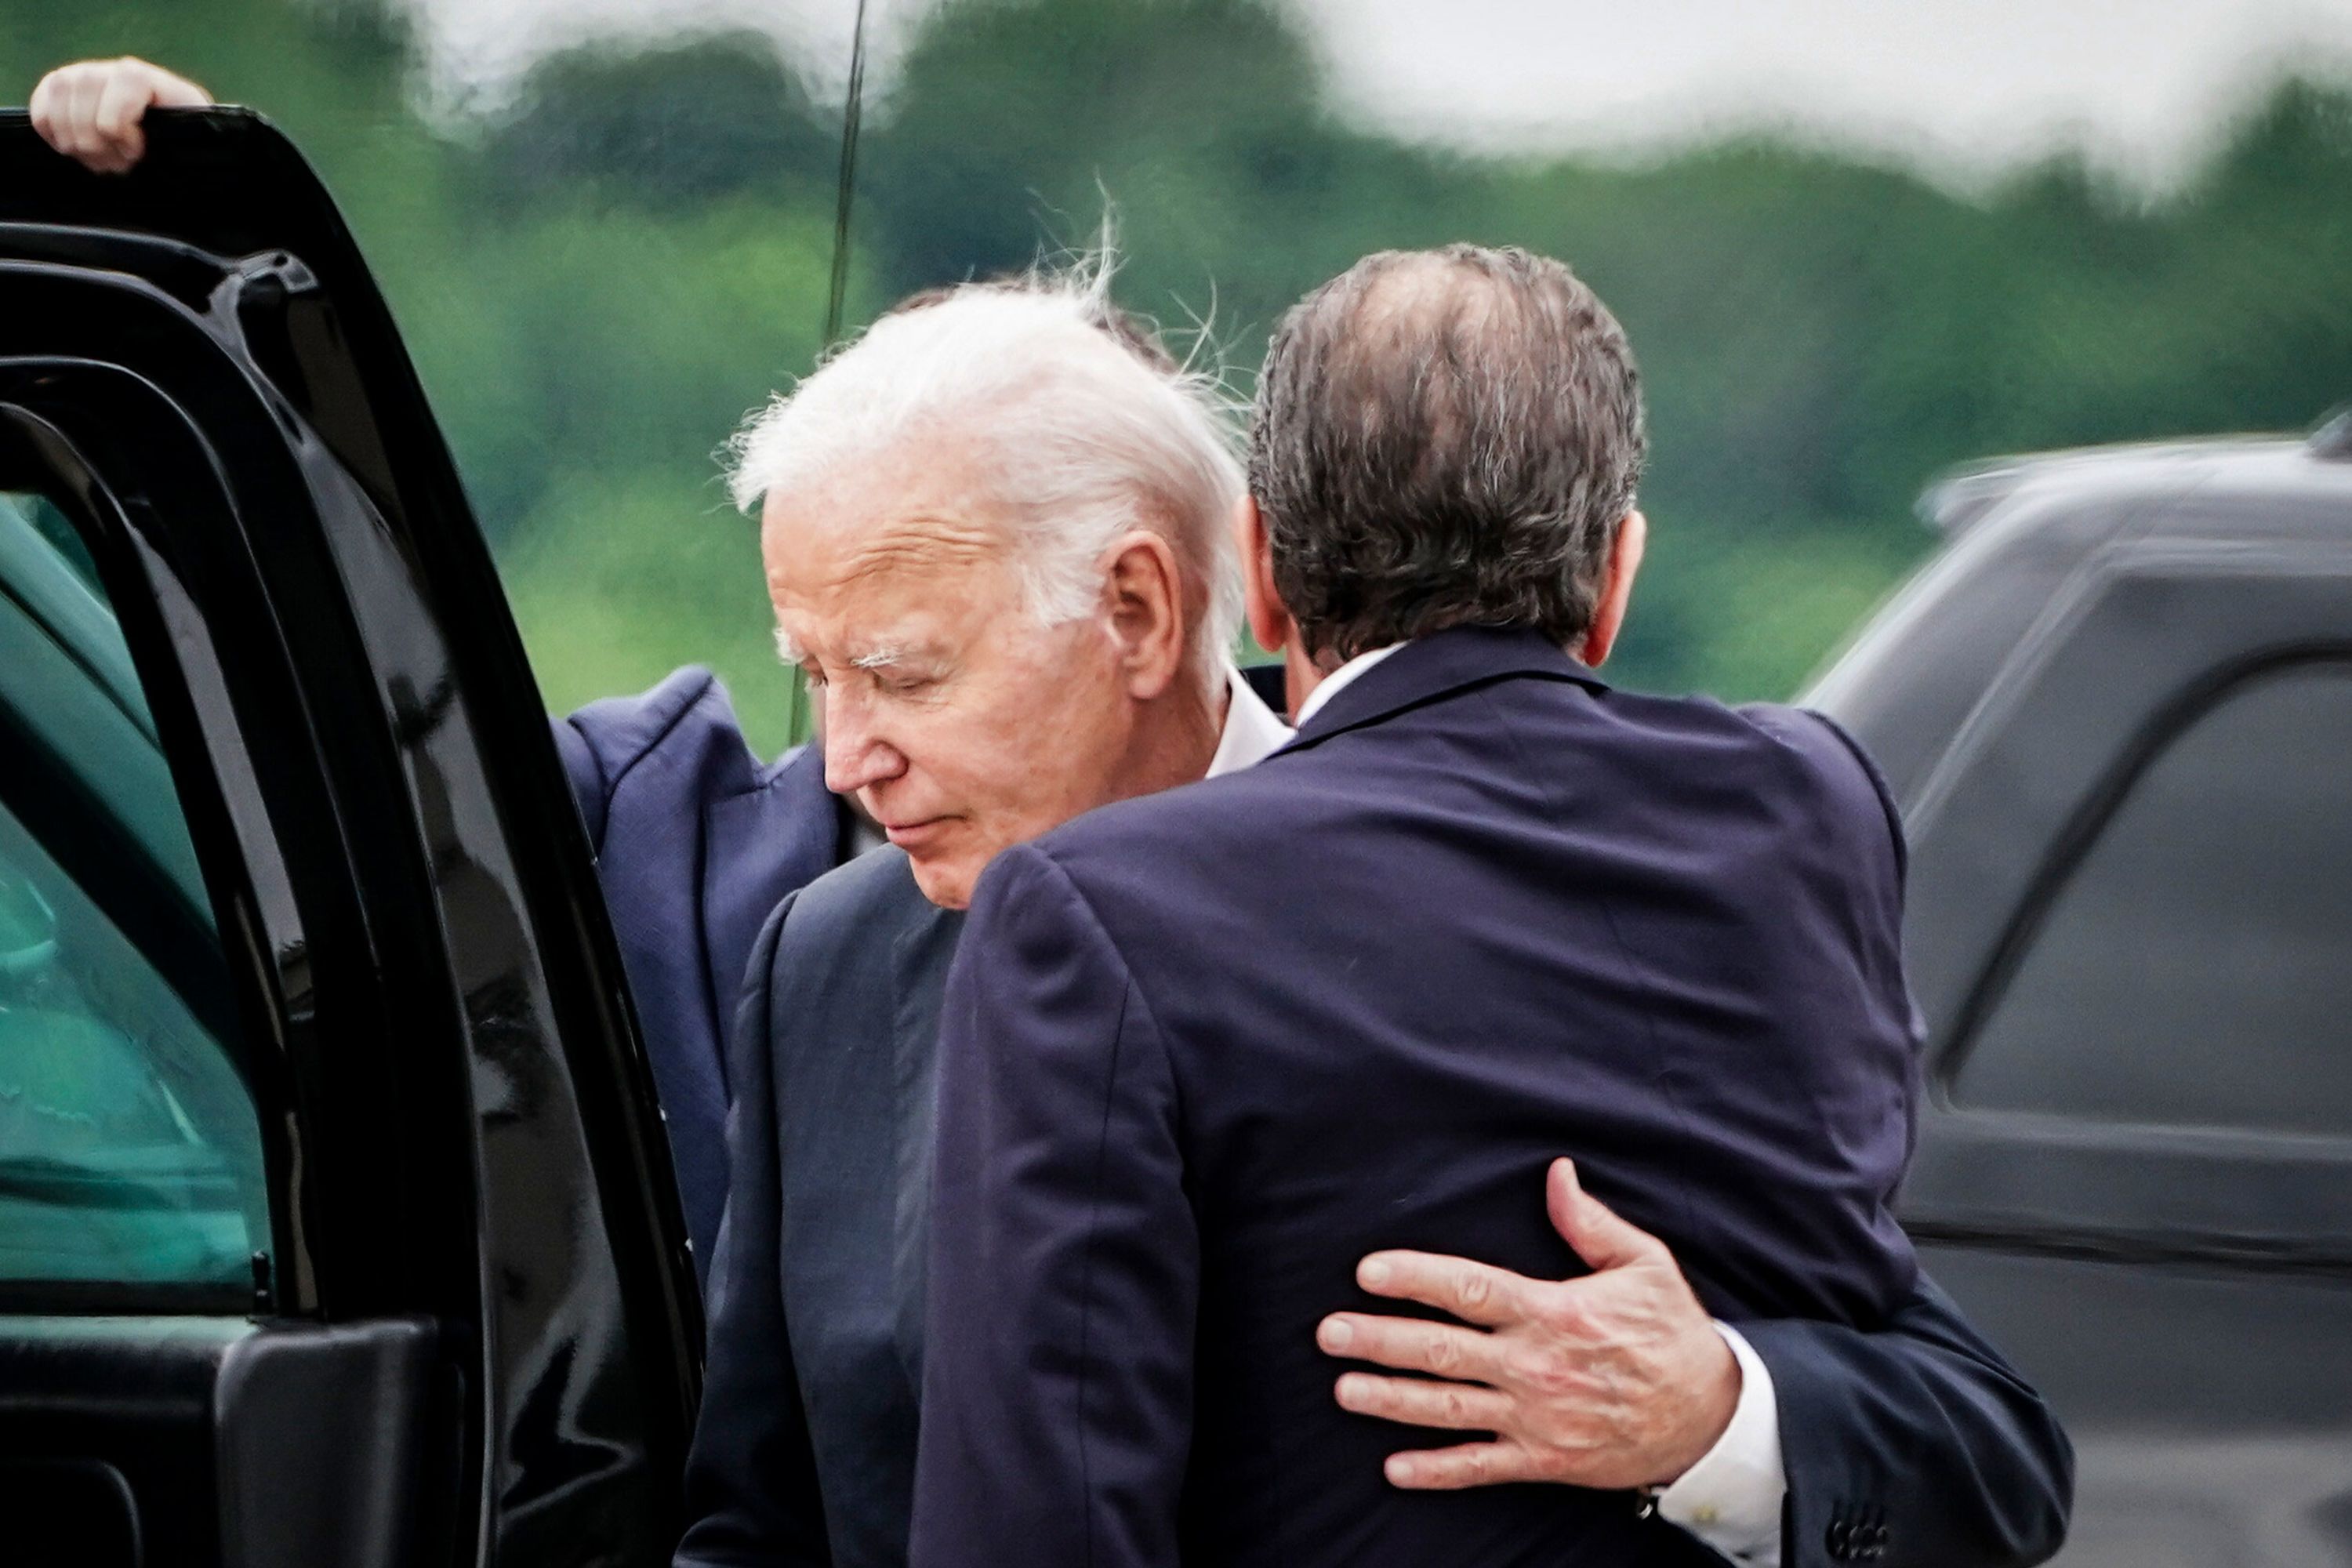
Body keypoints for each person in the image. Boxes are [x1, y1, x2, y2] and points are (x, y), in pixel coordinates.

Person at [32, 64, 2071, 1567]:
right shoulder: (802, 930)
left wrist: (1715, 1413)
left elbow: (1973, 1433)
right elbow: (346, 779)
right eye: (812, 672)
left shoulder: (1541, 896)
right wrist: (193, 219)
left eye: (904, 675)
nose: (840, 753)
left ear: (1155, 608)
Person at [905, 245, 2049, 1568]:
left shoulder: (1100, 910)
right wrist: (1734, 1417)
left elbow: (1038, 1521)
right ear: (1616, 580)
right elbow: (1955, 1402)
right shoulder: (1807, 810)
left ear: (1260, 569)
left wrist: (1713, 1412)